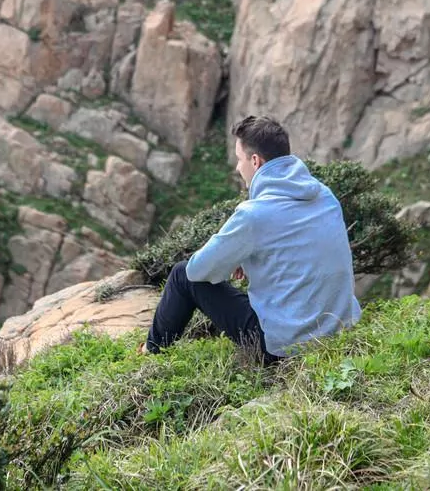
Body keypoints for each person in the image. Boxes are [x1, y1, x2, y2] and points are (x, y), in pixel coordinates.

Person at [140, 115, 361, 362]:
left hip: (283, 348)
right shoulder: (325, 195)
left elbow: (198, 270)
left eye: (239, 159)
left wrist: (230, 259)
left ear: (255, 161)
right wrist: (249, 258)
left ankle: (151, 351)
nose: (237, 167)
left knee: (182, 275)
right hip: (339, 332)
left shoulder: (254, 214)